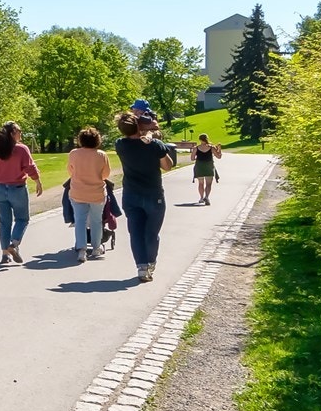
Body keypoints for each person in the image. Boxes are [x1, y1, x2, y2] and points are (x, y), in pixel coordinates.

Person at [114, 109, 178, 282]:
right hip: (153, 194)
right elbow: (167, 166)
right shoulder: (154, 145)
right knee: (151, 233)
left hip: (131, 195)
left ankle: (142, 267)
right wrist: (151, 135)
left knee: (135, 232)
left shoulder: (120, 144)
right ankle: (151, 262)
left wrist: (145, 131)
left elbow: (133, 136)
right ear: (138, 126)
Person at [0, 121, 42, 264]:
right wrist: (37, 181)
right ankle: (14, 244)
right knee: (22, 219)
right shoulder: (21, 149)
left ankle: (5, 254)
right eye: (19, 131)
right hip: (17, 188)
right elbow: (30, 167)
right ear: (12, 134)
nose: (21, 134)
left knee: (5, 223)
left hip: (0, 189)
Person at [66, 126, 112, 262]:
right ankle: (96, 247)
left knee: (80, 220)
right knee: (96, 221)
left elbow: (70, 171)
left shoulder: (74, 154)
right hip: (97, 193)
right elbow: (106, 174)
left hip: (78, 192)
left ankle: (81, 249)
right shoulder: (101, 155)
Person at [192, 133, 222, 205]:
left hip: (199, 166)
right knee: (208, 184)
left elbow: (192, 158)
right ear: (207, 139)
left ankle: (201, 198)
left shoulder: (196, 148)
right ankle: (207, 197)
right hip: (209, 166)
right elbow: (219, 157)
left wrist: (198, 157)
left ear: (200, 139)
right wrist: (219, 149)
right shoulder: (211, 147)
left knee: (201, 183)